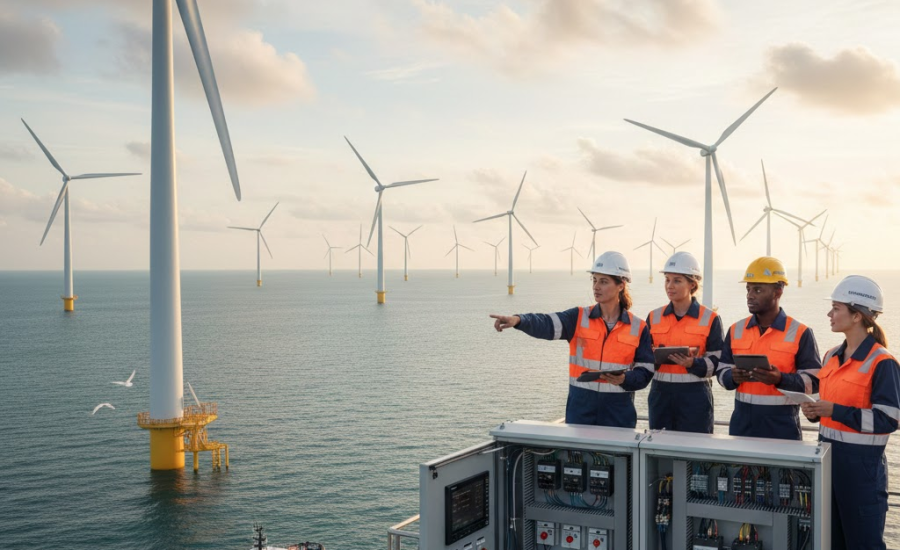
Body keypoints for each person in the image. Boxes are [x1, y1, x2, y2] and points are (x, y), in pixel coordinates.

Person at [490, 251, 654, 427]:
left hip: (618, 419)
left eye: (603, 282)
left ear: (621, 285)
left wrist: (624, 379)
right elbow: (546, 323)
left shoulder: (639, 327)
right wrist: (519, 320)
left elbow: (645, 372)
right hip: (580, 417)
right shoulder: (578, 318)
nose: (596, 287)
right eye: (594, 280)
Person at [801, 276, 900, 550]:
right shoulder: (831, 355)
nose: (829, 314)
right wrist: (813, 410)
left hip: (861, 472)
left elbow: (888, 419)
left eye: (836, 308)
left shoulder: (883, 362)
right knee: (828, 542)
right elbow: (829, 404)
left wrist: (835, 410)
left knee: (863, 544)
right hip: (826, 464)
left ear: (857, 316)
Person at [714, 256, 821, 440]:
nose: (750, 295)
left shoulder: (800, 332)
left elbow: (814, 381)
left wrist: (780, 379)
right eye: (748, 289)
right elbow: (721, 372)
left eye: (757, 289)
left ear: (778, 291)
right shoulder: (736, 330)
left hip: (782, 429)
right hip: (742, 428)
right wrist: (732, 376)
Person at [646, 252, 724, 433]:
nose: (669, 286)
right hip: (660, 396)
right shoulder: (653, 317)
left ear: (692, 284)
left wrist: (693, 363)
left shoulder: (710, 318)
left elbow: (719, 361)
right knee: (659, 451)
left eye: (677, 280)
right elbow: (641, 358)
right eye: (667, 280)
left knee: (694, 453)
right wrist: (652, 357)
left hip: (695, 397)